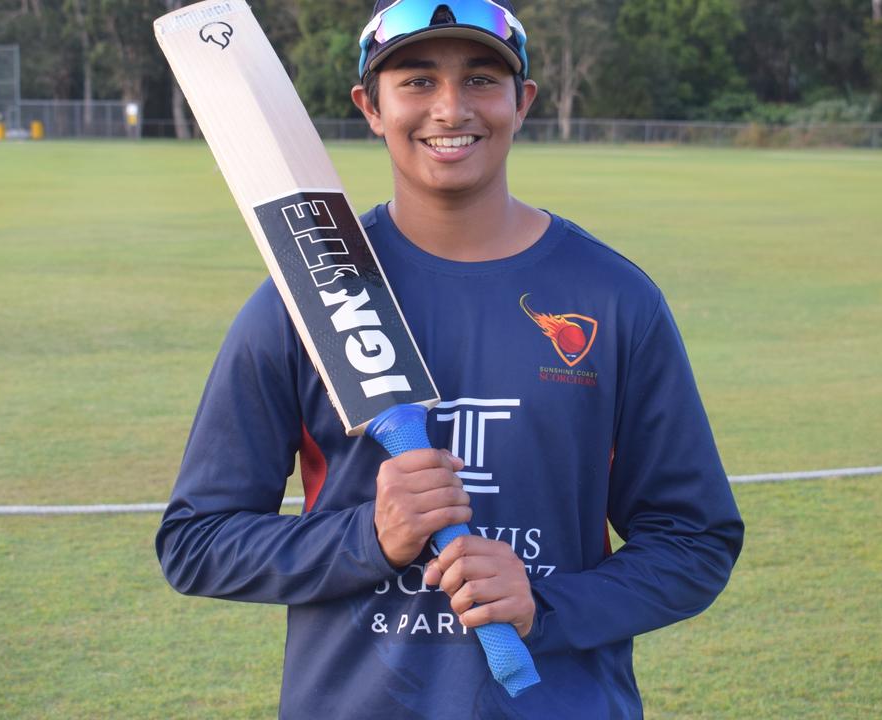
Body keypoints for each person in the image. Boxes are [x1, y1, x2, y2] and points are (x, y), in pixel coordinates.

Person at [157, 1, 745, 717]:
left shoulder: (615, 299)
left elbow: (695, 540)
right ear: (369, 107)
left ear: (520, 101)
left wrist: (545, 606)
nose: (449, 108)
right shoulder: (300, 303)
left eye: (479, 80)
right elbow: (196, 541)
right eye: (415, 81)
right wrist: (367, 537)